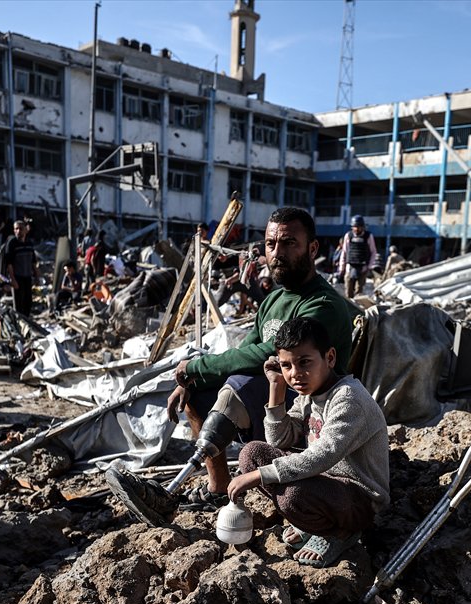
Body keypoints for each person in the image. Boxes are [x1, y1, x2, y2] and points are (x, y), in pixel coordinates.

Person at [107, 206, 358, 523]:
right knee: (196, 391)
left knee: (237, 386)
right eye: (270, 244)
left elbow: (265, 354)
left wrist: (196, 366)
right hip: (275, 394)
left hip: (308, 405)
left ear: (312, 249)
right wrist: (194, 380)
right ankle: (217, 488)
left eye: (289, 243)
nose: (277, 253)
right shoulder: (273, 300)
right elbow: (247, 347)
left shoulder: (322, 304)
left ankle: (169, 492)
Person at [227, 317, 389, 568]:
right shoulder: (309, 394)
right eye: (286, 365)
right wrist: (276, 386)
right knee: (251, 454)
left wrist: (260, 476)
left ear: (330, 358)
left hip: (359, 499)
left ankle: (337, 533)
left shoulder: (348, 398)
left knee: (291, 496)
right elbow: (280, 440)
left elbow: (322, 455)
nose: (294, 374)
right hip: (324, 484)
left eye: (304, 362)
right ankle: (312, 520)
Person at [2, 218, 38, 317]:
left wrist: (37, 276)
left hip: (27, 277)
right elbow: (9, 263)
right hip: (17, 277)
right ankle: (18, 322)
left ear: (26, 230)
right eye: (16, 229)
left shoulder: (29, 243)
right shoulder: (12, 243)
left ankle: (26, 321)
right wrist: (12, 279)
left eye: (21, 229)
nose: (18, 231)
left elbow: (33, 261)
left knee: (28, 302)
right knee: (18, 304)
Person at [338, 215, 377, 298]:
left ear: (362, 227)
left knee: (359, 292)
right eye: (354, 227)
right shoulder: (348, 235)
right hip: (350, 267)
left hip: (363, 268)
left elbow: (373, 252)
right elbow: (344, 251)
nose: (356, 229)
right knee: (348, 292)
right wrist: (342, 267)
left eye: (358, 227)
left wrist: (369, 266)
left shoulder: (368, 236)